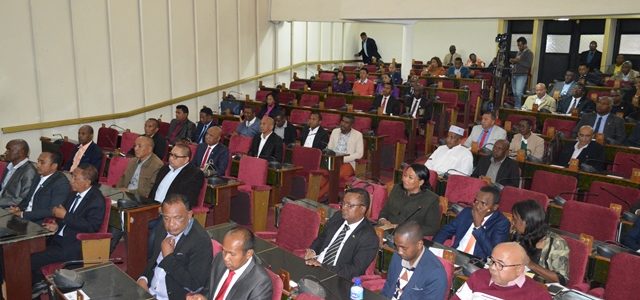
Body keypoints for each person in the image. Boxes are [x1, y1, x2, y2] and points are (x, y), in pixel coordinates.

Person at [30, 164, 106, 294]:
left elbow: (91, 227)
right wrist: (57, 225)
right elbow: (62, 217)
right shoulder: (73, 194)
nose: (72, 181)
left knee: (31, 259)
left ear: (87, 182)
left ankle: (35, 286)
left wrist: (65, 216)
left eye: (75, 178)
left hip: (74, 245)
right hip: (58, 238)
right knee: (25, 250)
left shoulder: (96, 200)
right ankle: (39, 283)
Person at [137, 194, 213, 300]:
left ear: (189, 214)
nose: (171, 224)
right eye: (166, 218)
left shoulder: (200, 241)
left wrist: (168, 258)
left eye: (177, 218)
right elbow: (153, 261)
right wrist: (143, 278)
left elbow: (195, 286)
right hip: (150, 292)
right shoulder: (162, 228)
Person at [304, 188, 378, 279]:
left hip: (336, 278)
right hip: (314, 267)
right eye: (343, 203)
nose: (344, 208)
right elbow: (322, 238)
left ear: (362, 209)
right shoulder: (338, 217)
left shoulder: (369, 237)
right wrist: (313, 250)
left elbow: (355, 270)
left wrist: (322, 267)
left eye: (349, 205)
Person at [187, 227, 272, 300]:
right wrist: (202, 297)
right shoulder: (219, 259)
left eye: (232, 254)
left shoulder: (260, 282)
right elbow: (209, 290)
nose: (226, 258)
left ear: (248, 254)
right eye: (224, 251)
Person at [451, 242, 552, 300]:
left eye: (500, 264)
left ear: (519, 269)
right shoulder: (479, 277)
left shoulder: (537, 295)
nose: (493, 268)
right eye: (492, 261)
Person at [433, 186, 510, 259]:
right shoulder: (467, 212)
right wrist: (434, 247)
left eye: (483, 203)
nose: (477, 206)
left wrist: (478, 227)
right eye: (476, 201)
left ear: (495, 207)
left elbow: (493, 253)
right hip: (455, 255)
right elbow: (445, 230)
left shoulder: (501, 223)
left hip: (476, 262)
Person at [381, 221, 448, 299]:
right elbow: (389, 285)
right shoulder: (397, 255)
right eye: (396, 246)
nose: (399, 251)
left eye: (404, 248)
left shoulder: (435, 273)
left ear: (419, 245)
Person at [512, 200, 570, 284]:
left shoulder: (556, 243)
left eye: (515, 219)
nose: (512, 222)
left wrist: (530, 264)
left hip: (541, 287)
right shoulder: (517, 234)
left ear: (527, 222)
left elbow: (561, 279)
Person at [378, 164, 441, 236]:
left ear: (421, 182)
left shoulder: (431, 200)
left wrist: (402, 228)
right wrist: (383, 220)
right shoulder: (397, 188)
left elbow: (432, 229)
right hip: (385, 232)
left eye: (410, 177)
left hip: (408, 238)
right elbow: (385, 210)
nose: (405, 179)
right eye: (405, 176)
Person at [9, 151, 70, 224]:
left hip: (39, 222)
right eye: (38, 161)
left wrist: (23, 214)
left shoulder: (61, 183)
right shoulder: (38, 175)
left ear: (54, 166)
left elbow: (52, 210)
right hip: (24, 217)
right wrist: (18, 208)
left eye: (42, 162)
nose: (38, 165)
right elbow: (28, 198)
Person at [327, 115, 364, 184]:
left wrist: (343, 159)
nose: (343, 124)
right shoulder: (335, 131)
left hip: (348, 162)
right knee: (324, 174)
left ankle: (323, 194)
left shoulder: (358, 135)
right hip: (333, 161)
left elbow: (359, 154)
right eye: (342, 121)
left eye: (346, 123)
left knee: (336, 175)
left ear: (351, 125)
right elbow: (329, 148)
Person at [0, 139, 37, 207]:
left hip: (9, 209)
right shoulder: (10, 166)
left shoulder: (29, 171)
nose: (5, 152)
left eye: (9, 150)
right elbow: (3, 188)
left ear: (21, 152)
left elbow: (22, 199)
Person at [509, 37, 533, 109]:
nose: (519, 47)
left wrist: (517, 61)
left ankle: (518, 107)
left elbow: (528, 65)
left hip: (522, 75)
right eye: (518, 45)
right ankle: (516, 106)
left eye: (520, 45)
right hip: (514, 74)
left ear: (525, 44)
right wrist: (513, 62)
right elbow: (517, 62)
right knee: (514, 92)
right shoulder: (519, 52)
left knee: (519, 92)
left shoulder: (529, 53)